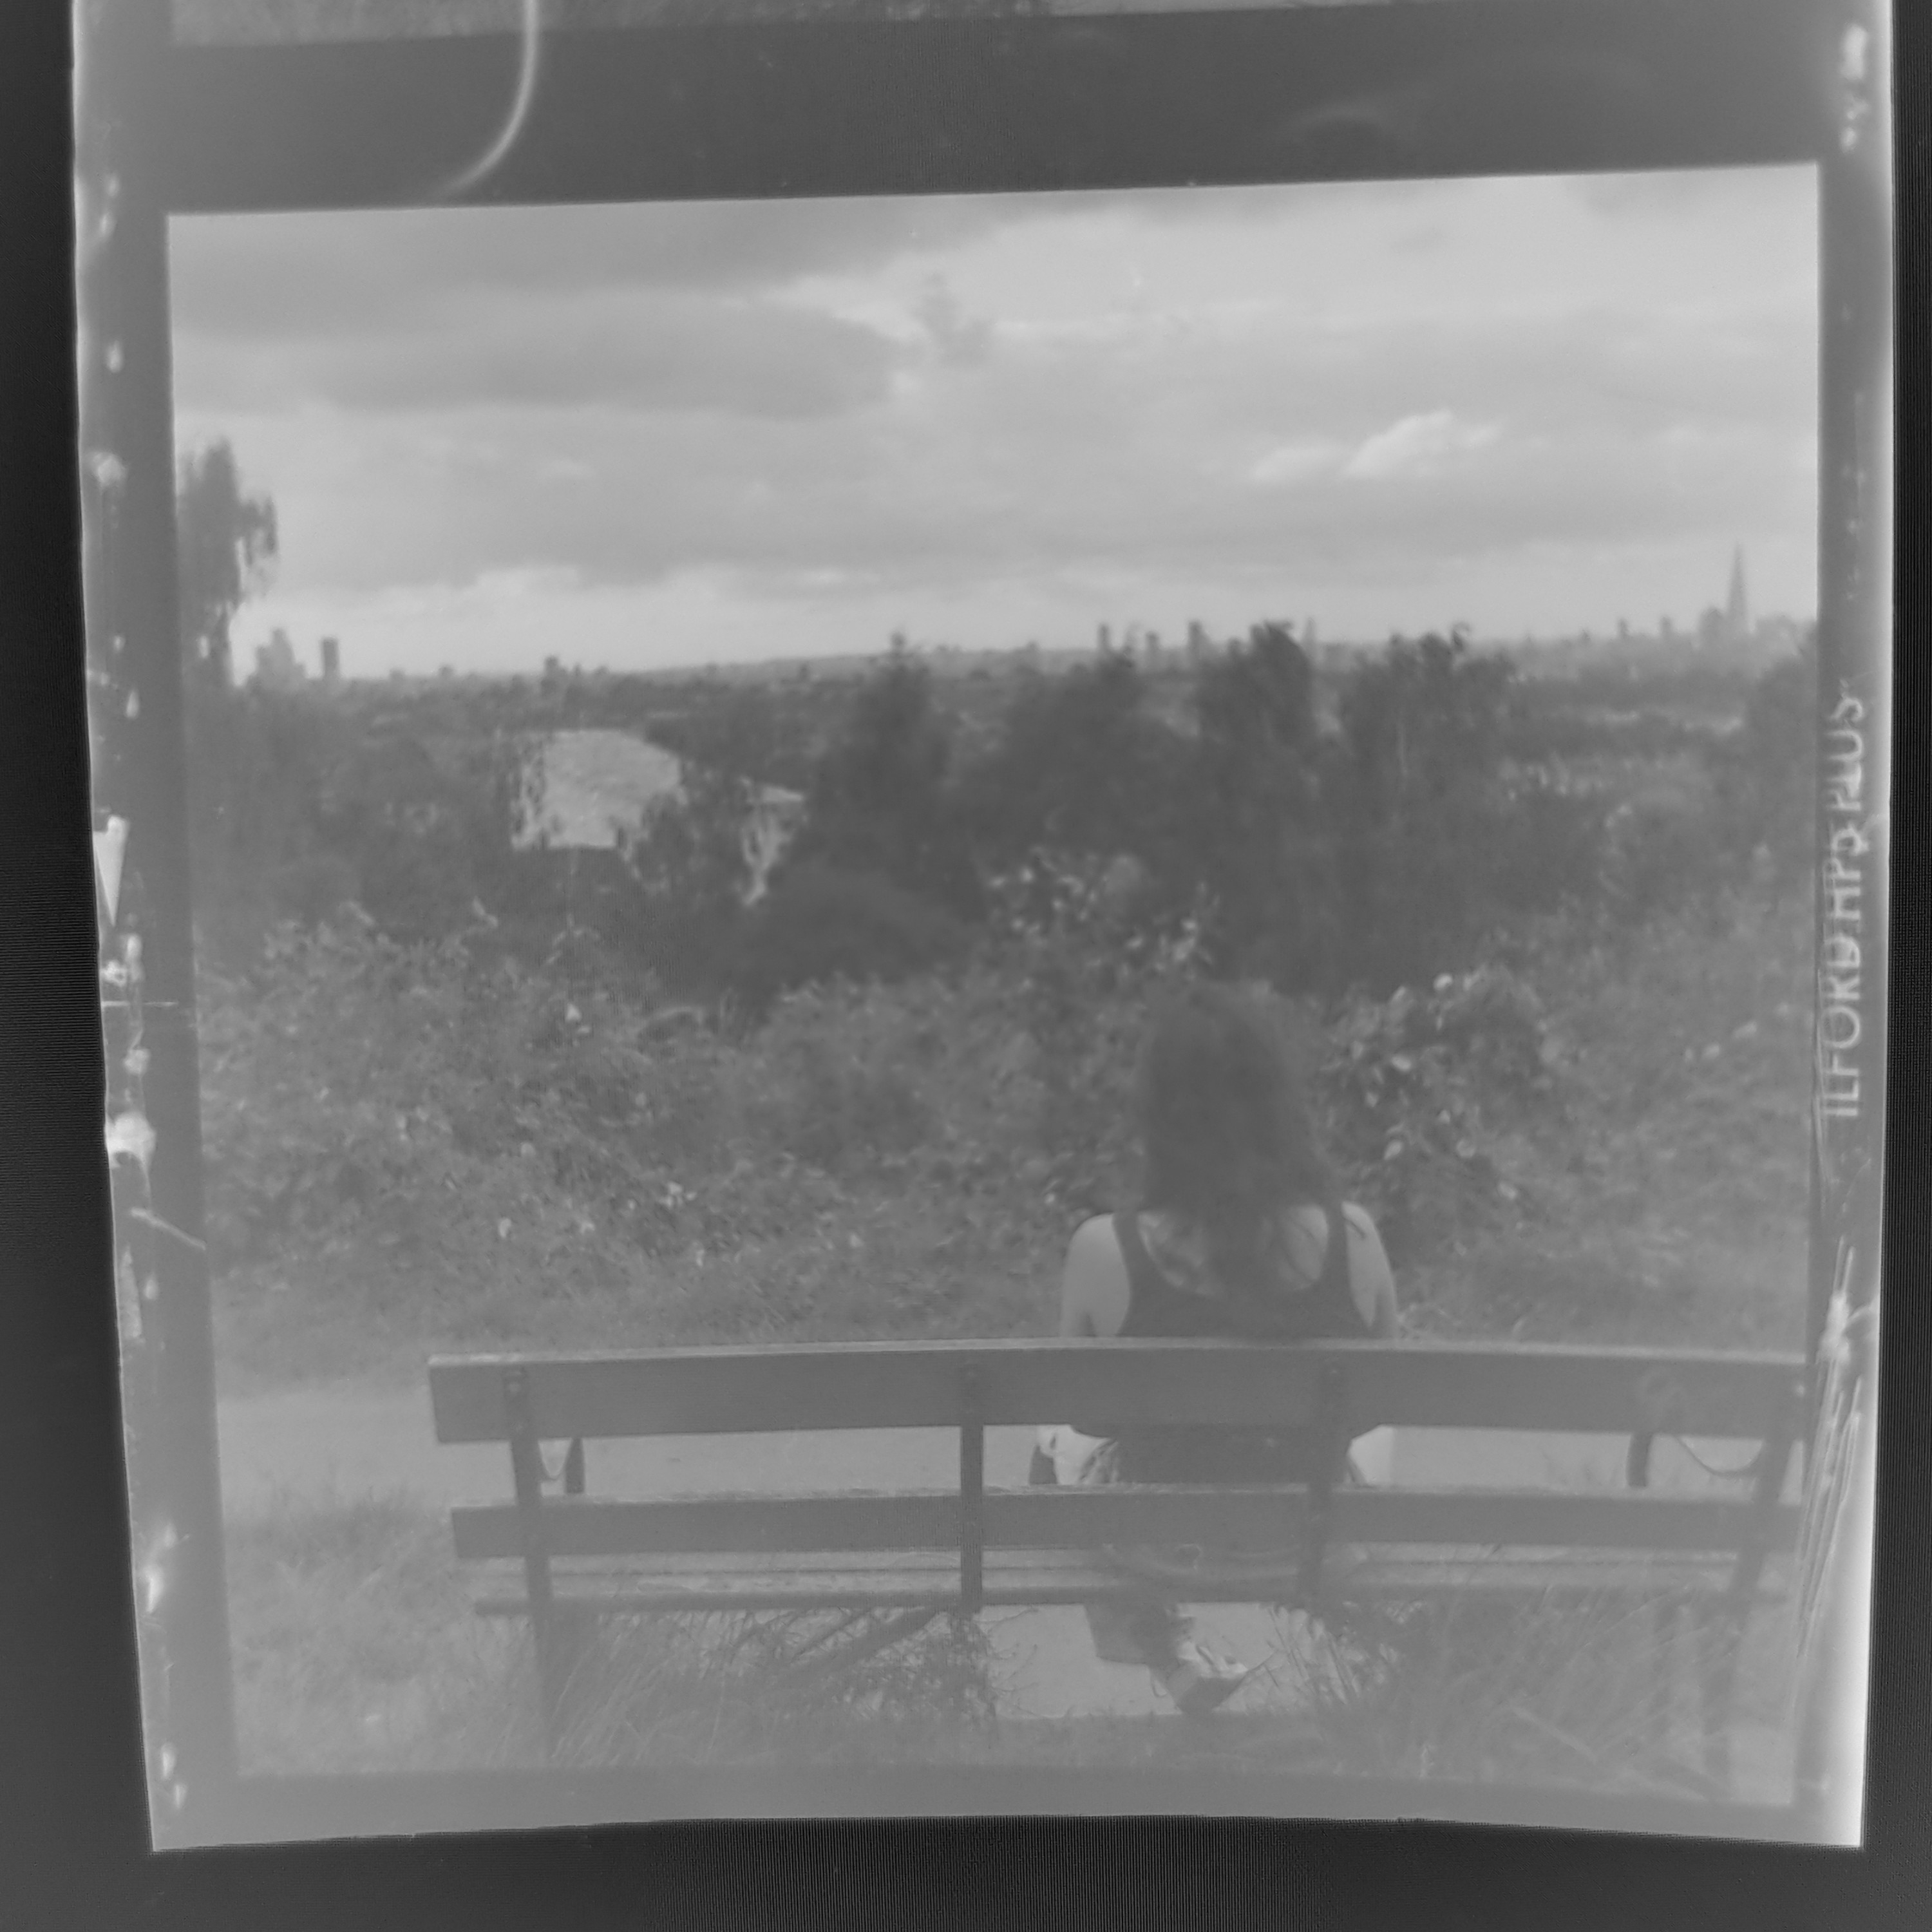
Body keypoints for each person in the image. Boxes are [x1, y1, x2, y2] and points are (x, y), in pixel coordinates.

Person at [1034, 981, 1399, 1715]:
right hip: (1314, 1535)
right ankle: (1369, 1640)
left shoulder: (1104, 1250)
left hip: (1158, 1545)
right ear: (1280, 1107)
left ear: (1156, 1117)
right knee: (1371, 1419)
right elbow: (1373, 1407)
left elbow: (1086, 1418)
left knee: (1049, 1438)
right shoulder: (1355, 1239)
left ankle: (1161, 1641)